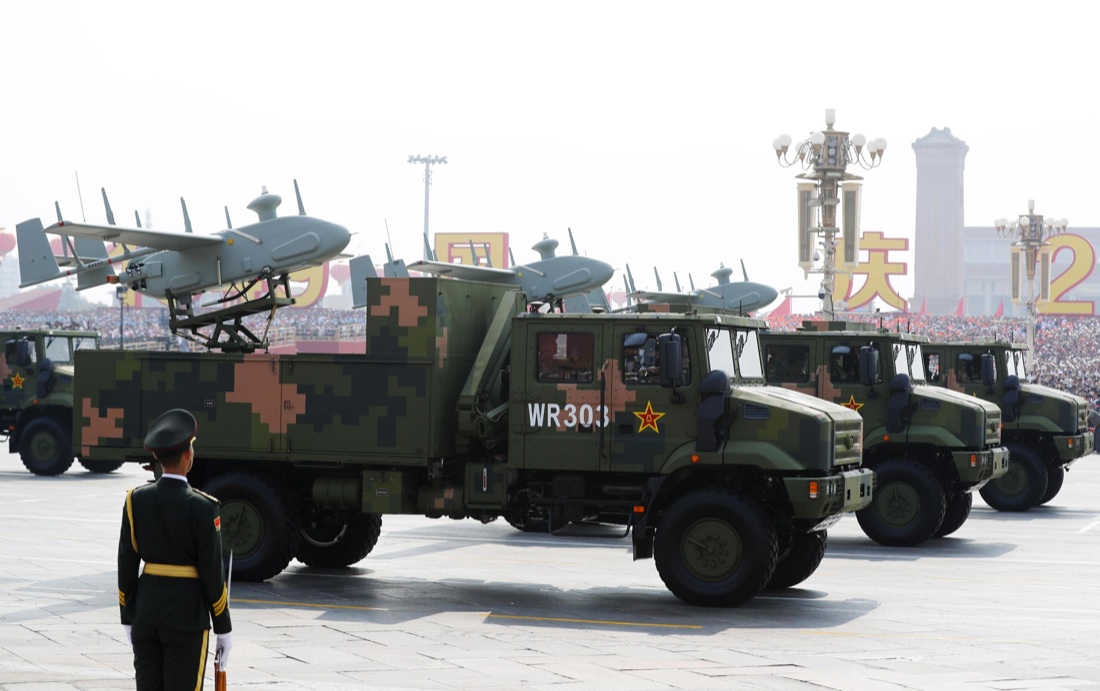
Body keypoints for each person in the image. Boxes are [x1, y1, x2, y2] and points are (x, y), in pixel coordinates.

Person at [118, 408, 232, 690]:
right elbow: (211, 574)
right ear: (188, 456)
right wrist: (223, 626)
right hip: (186, 620)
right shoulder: (204, 507)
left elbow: (126, 564)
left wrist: (128, 616)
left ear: (156, 456)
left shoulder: (136, 499)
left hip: (145, 616)